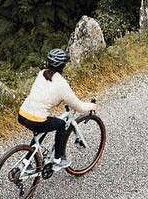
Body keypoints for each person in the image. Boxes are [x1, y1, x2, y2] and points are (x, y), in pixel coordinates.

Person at [17, 48, 97, 177]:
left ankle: (25, 162)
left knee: (43, 124)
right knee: (60, 124)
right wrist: (91, 105)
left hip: (22, 114)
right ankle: (58, 160)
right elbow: (80, 107)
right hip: (36, 119)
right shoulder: (62, 84)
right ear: (63, 66)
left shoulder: (41, 73)